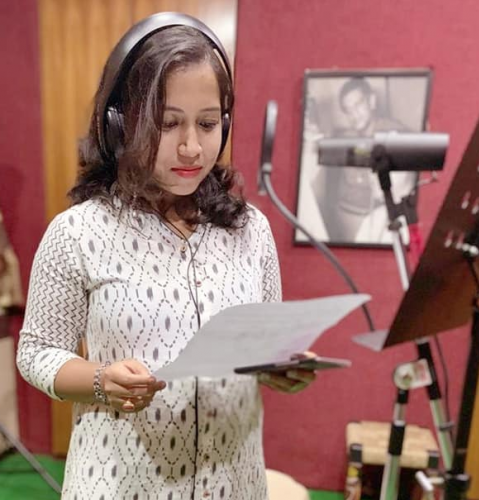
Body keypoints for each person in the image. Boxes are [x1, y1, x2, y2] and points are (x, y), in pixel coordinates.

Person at [16, 13, 315, 500]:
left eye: (208, 123)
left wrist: (280, 365)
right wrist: (99, 380)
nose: (191, 147)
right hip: (118, 484)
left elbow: (261, 344)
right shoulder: (77, 232)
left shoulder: (252, 230)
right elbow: (37, 353)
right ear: (121, 124)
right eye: (168, 123)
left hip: (233, 484)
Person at [304, 77, 417, 245]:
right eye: (348, 110)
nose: (353, 115)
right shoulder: (346, 136)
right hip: (342, 217)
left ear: (372, 101)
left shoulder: (393, 132)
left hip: (370, 221)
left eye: (358, 105)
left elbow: (405, 184)